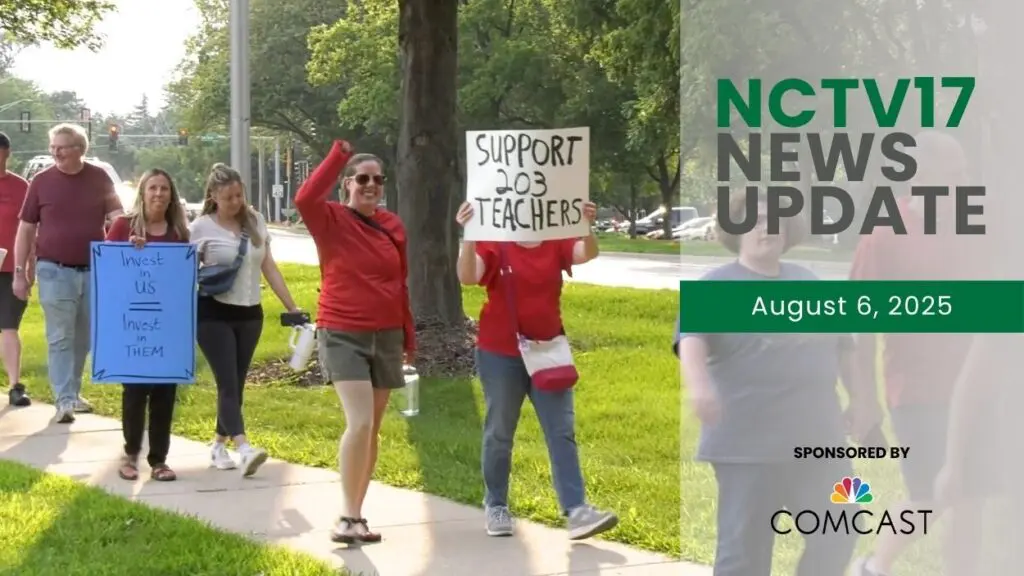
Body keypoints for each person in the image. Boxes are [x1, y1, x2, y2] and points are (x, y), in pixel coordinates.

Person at [675, 190, 861, 576]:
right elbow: (692, 341)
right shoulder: (715, 287)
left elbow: (845, 348)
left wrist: (860, 399)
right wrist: (699, 386)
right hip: (746, 444)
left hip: (819, 441)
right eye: (756, 219)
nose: (767, 226)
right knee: (744, 551)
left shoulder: (809, 283)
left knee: (842, 524)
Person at [848, 132, 985, 576]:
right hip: (916, 389)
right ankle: (875, 564)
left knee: (973, 495)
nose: (966, 180)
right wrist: (865, 400)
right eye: (956, 172)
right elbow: (859, 326)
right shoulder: (884, 235)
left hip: (976, 384)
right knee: (930, 493)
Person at [454, 200, 619, 541]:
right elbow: (467, 276)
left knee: (561, 431)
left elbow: (586, 253)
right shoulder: (495, 242)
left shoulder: (554, 240)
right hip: (500, 352)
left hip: (548, 350)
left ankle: (576, 511)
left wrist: (586, 224)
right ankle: (496, 504)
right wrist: (468, 236)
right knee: (500, 430)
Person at [294, 140, 414, 544]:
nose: (371, 185)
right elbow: (305, 196)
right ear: (347, 184)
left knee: (372, 429)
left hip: (387, 334)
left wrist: (407, 337)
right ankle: (346, 516)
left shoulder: (393, 225)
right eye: (362, 179)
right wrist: (339, 154)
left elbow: (401, 285)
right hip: (343, 331)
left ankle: (357, 515)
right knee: (359, 422)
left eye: (377, 180)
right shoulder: (328, 218)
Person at [189, 163, 300, 477]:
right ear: (213, 196)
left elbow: (269, 266)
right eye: (228, 197)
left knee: (236, 384)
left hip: (250, 313)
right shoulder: (200, 228)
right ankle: (244, 447)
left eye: (239, 195)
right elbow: (183, 272)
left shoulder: (256, 222)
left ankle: (217, 444)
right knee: (227, 381)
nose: (235, 202)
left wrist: (291, 305)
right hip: (213, 312)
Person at [12, 123, 123, 423]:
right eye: (53, 147)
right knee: (60, 336)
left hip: (93, 271)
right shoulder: (41, 181)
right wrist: (20, 272)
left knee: (82, 338)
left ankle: (72, 392)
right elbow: (25, 228)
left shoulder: (99, 178)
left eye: (61, 147)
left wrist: (124, 230)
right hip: (53, 269)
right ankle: (63, 400)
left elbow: (116, 217)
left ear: (79, 150)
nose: (55, 152)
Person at [106, 169, 190, 481]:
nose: (158, 194)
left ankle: (159, 460)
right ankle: (130, 455)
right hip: (133, 325)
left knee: (165, 393)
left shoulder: (179, 231)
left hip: (167, 324)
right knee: (135, 391)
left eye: (164, 188)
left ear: (171, 194)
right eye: (152, 188)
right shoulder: (122, 226)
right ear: (142, 193)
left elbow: (184, 279)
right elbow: (108, 274)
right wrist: (127, 252)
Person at [0, 133, 32, 407]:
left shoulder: (21, 187)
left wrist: (27, 270)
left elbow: (31, 231)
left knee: (9, 326)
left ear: (6, 152)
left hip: (11, 268)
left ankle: (14, 385)